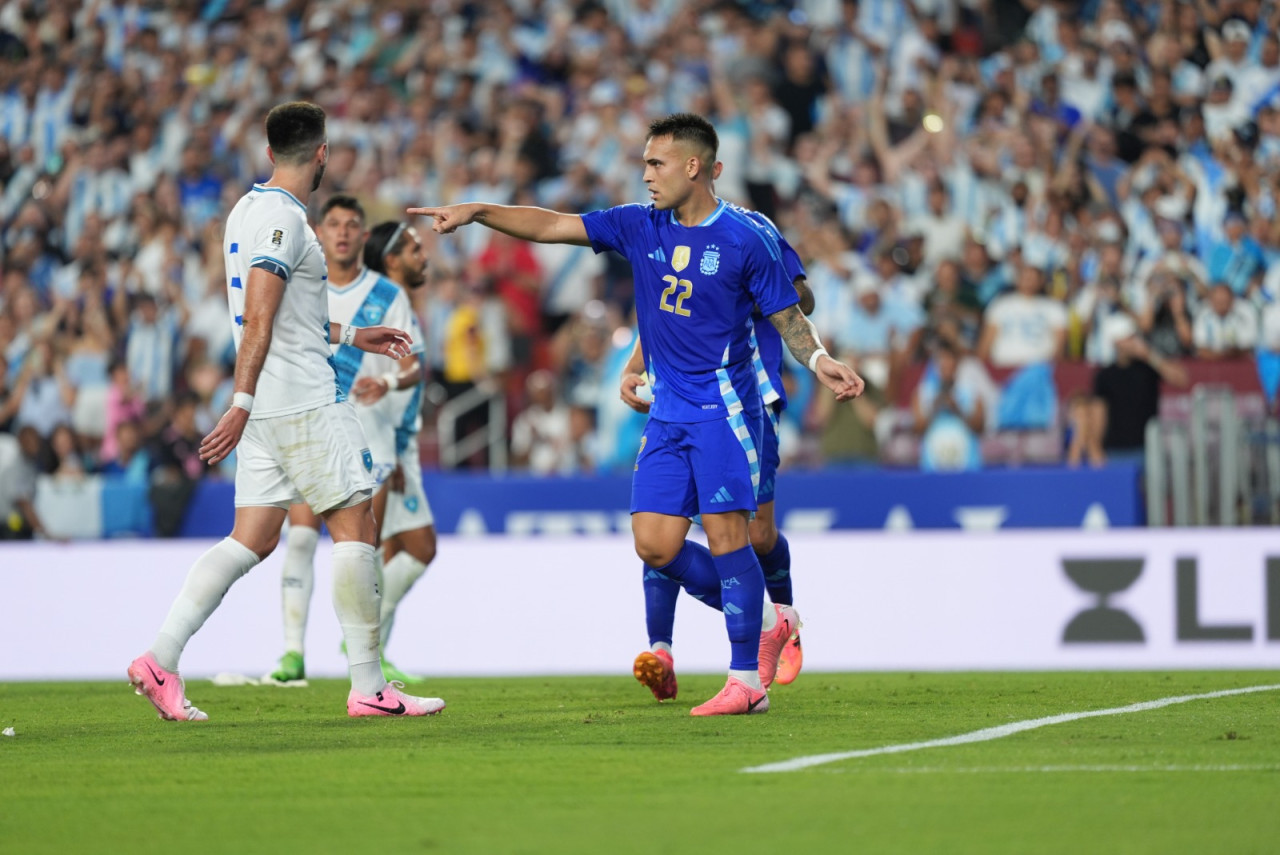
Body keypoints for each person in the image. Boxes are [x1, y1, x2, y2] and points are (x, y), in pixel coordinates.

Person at [410, 113, 863, 715]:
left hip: (726, 407)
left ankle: (744, 682)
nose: (645, 175)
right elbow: (551, 225)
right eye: (645, 164)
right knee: (654, 544)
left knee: (737, 537)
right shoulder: (637, 225)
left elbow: (788, 314)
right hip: (668, 412)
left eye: (656, 163)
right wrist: (479, 211)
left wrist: (821, 360)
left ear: (694, 166)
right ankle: (763, 625)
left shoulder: (746, 237)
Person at [127, 101, 444, 721]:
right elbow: (263, 318)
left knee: (252, 538)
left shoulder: (246, 211)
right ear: (321, 153)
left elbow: (287, 316)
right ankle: (370, 687)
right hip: (302, 401)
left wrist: (355, 336)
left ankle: (160, 659)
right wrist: (239, 402)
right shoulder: (286, 221)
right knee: (357, 528)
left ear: (270, 151)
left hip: (272, 406)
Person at [619, 204, 814, 698]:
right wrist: (636, 362)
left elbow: (799, 300)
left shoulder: (753, 230)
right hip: (678, 398)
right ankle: (666, 645)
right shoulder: (662, 230)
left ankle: (780, 625)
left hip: (748, 397)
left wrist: (745, 292)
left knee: (754, 534)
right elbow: (668, 312)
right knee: (663, 527)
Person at [265, 198, 428, 687]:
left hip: (369, 437)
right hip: (308, 424)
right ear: (319, 232)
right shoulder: (300, 286)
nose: (342, 234)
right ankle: (292, 653)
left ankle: (363, 658)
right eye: (333, 224)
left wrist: (391, 385)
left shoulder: (386, 293)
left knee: (361, 547)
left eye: (352, 226)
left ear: (363, 237)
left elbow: (414, 362)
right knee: (298, 535)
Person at [362, 219, 439, 674]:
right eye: (413, 249)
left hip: (393, 439)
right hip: (387, 441)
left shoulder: (386, 301)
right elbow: (381, 382)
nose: (423, 255)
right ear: (392, 259)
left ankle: (376, 655)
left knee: (392, 548)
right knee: (417, 546)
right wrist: (387, 454)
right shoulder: (389, 305)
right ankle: (364, 639)